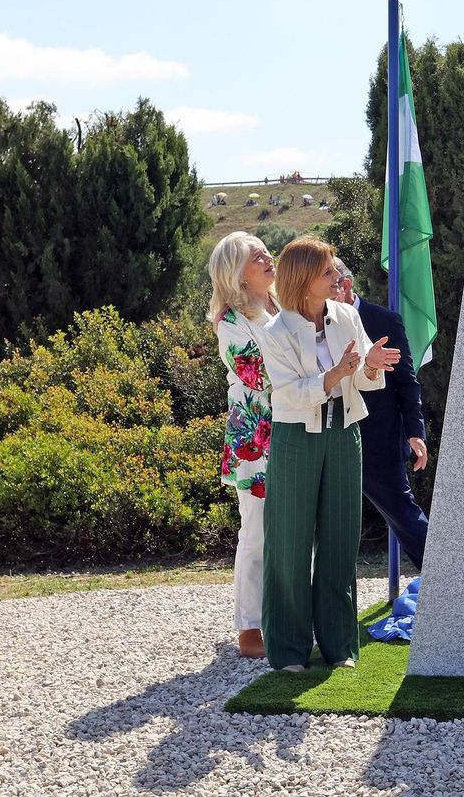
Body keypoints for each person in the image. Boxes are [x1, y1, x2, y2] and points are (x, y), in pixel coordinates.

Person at [257, 236, 401, 671]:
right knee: (290, 542)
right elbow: (286, 394)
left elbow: (364, 382)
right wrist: (335, 373)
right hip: (296, 435)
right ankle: (287, 651)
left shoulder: (346, 316)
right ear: (303, 280)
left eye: (335, 269)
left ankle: (340, 646)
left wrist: (372, 364)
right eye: (328, 272)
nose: (338, 277)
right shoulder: (275, 331)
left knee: (341, 539)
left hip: (344, 432)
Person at [331, 259, 431, 570]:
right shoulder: (315, 322)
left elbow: (405, 381)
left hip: (378, 440)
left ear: (346, 287)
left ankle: (448, 580)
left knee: (403, 514)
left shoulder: (384, 321)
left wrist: (416, 432)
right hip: (329, 435)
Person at [207, 232, 279, 659]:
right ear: (237, 274)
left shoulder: (284, 306)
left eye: (266, 251)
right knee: (256, 531)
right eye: (258, 256)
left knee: (293, 530)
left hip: (295, 425)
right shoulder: (231, 321)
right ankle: (250, 629)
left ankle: (288, 617)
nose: (269, 258)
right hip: (255, 434)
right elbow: (262, 376)